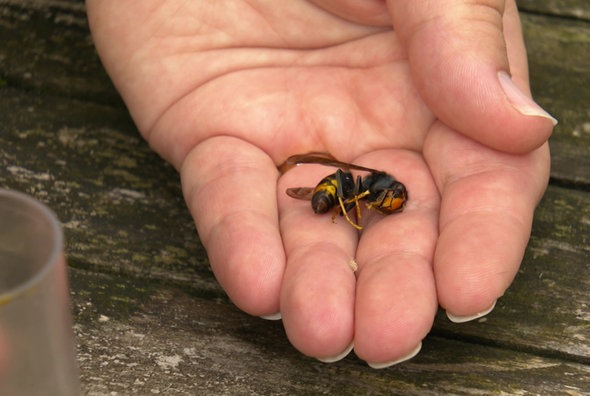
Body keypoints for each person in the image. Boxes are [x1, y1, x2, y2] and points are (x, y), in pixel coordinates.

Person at [86, 0, 555, 368]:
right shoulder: (346, 193)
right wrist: (337, 207)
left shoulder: (359, 188)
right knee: (277, 276)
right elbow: (346, 194)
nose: (377, 202)